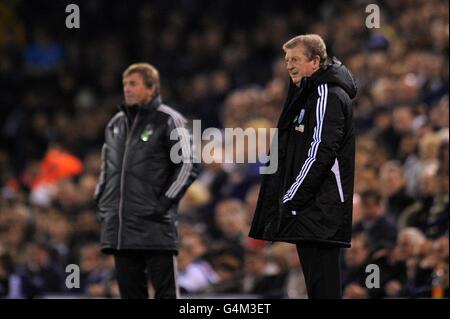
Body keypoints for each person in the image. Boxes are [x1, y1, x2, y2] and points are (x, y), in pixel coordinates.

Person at [249, 34, 357, 298]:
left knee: (323, 288)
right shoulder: (309, 94)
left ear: (315, 61)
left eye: (295, 59)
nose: (289, 65)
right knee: (318, 288)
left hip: (319, 207)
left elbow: (320, 151)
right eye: (287, 60)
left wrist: (291, 198)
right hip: (313, 208)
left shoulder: (325, 93)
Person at [94, 63, 199, 299]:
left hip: (154, 224)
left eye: (133, 84)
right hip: (120, 228)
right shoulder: (116, 124)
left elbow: (188, 164)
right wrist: (103, 203)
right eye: (125, 84)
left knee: (166, 293)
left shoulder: (170, 119)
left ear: (152, 88)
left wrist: (163, 204)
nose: (127, 89)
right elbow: (106, 168)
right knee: (130, 295)